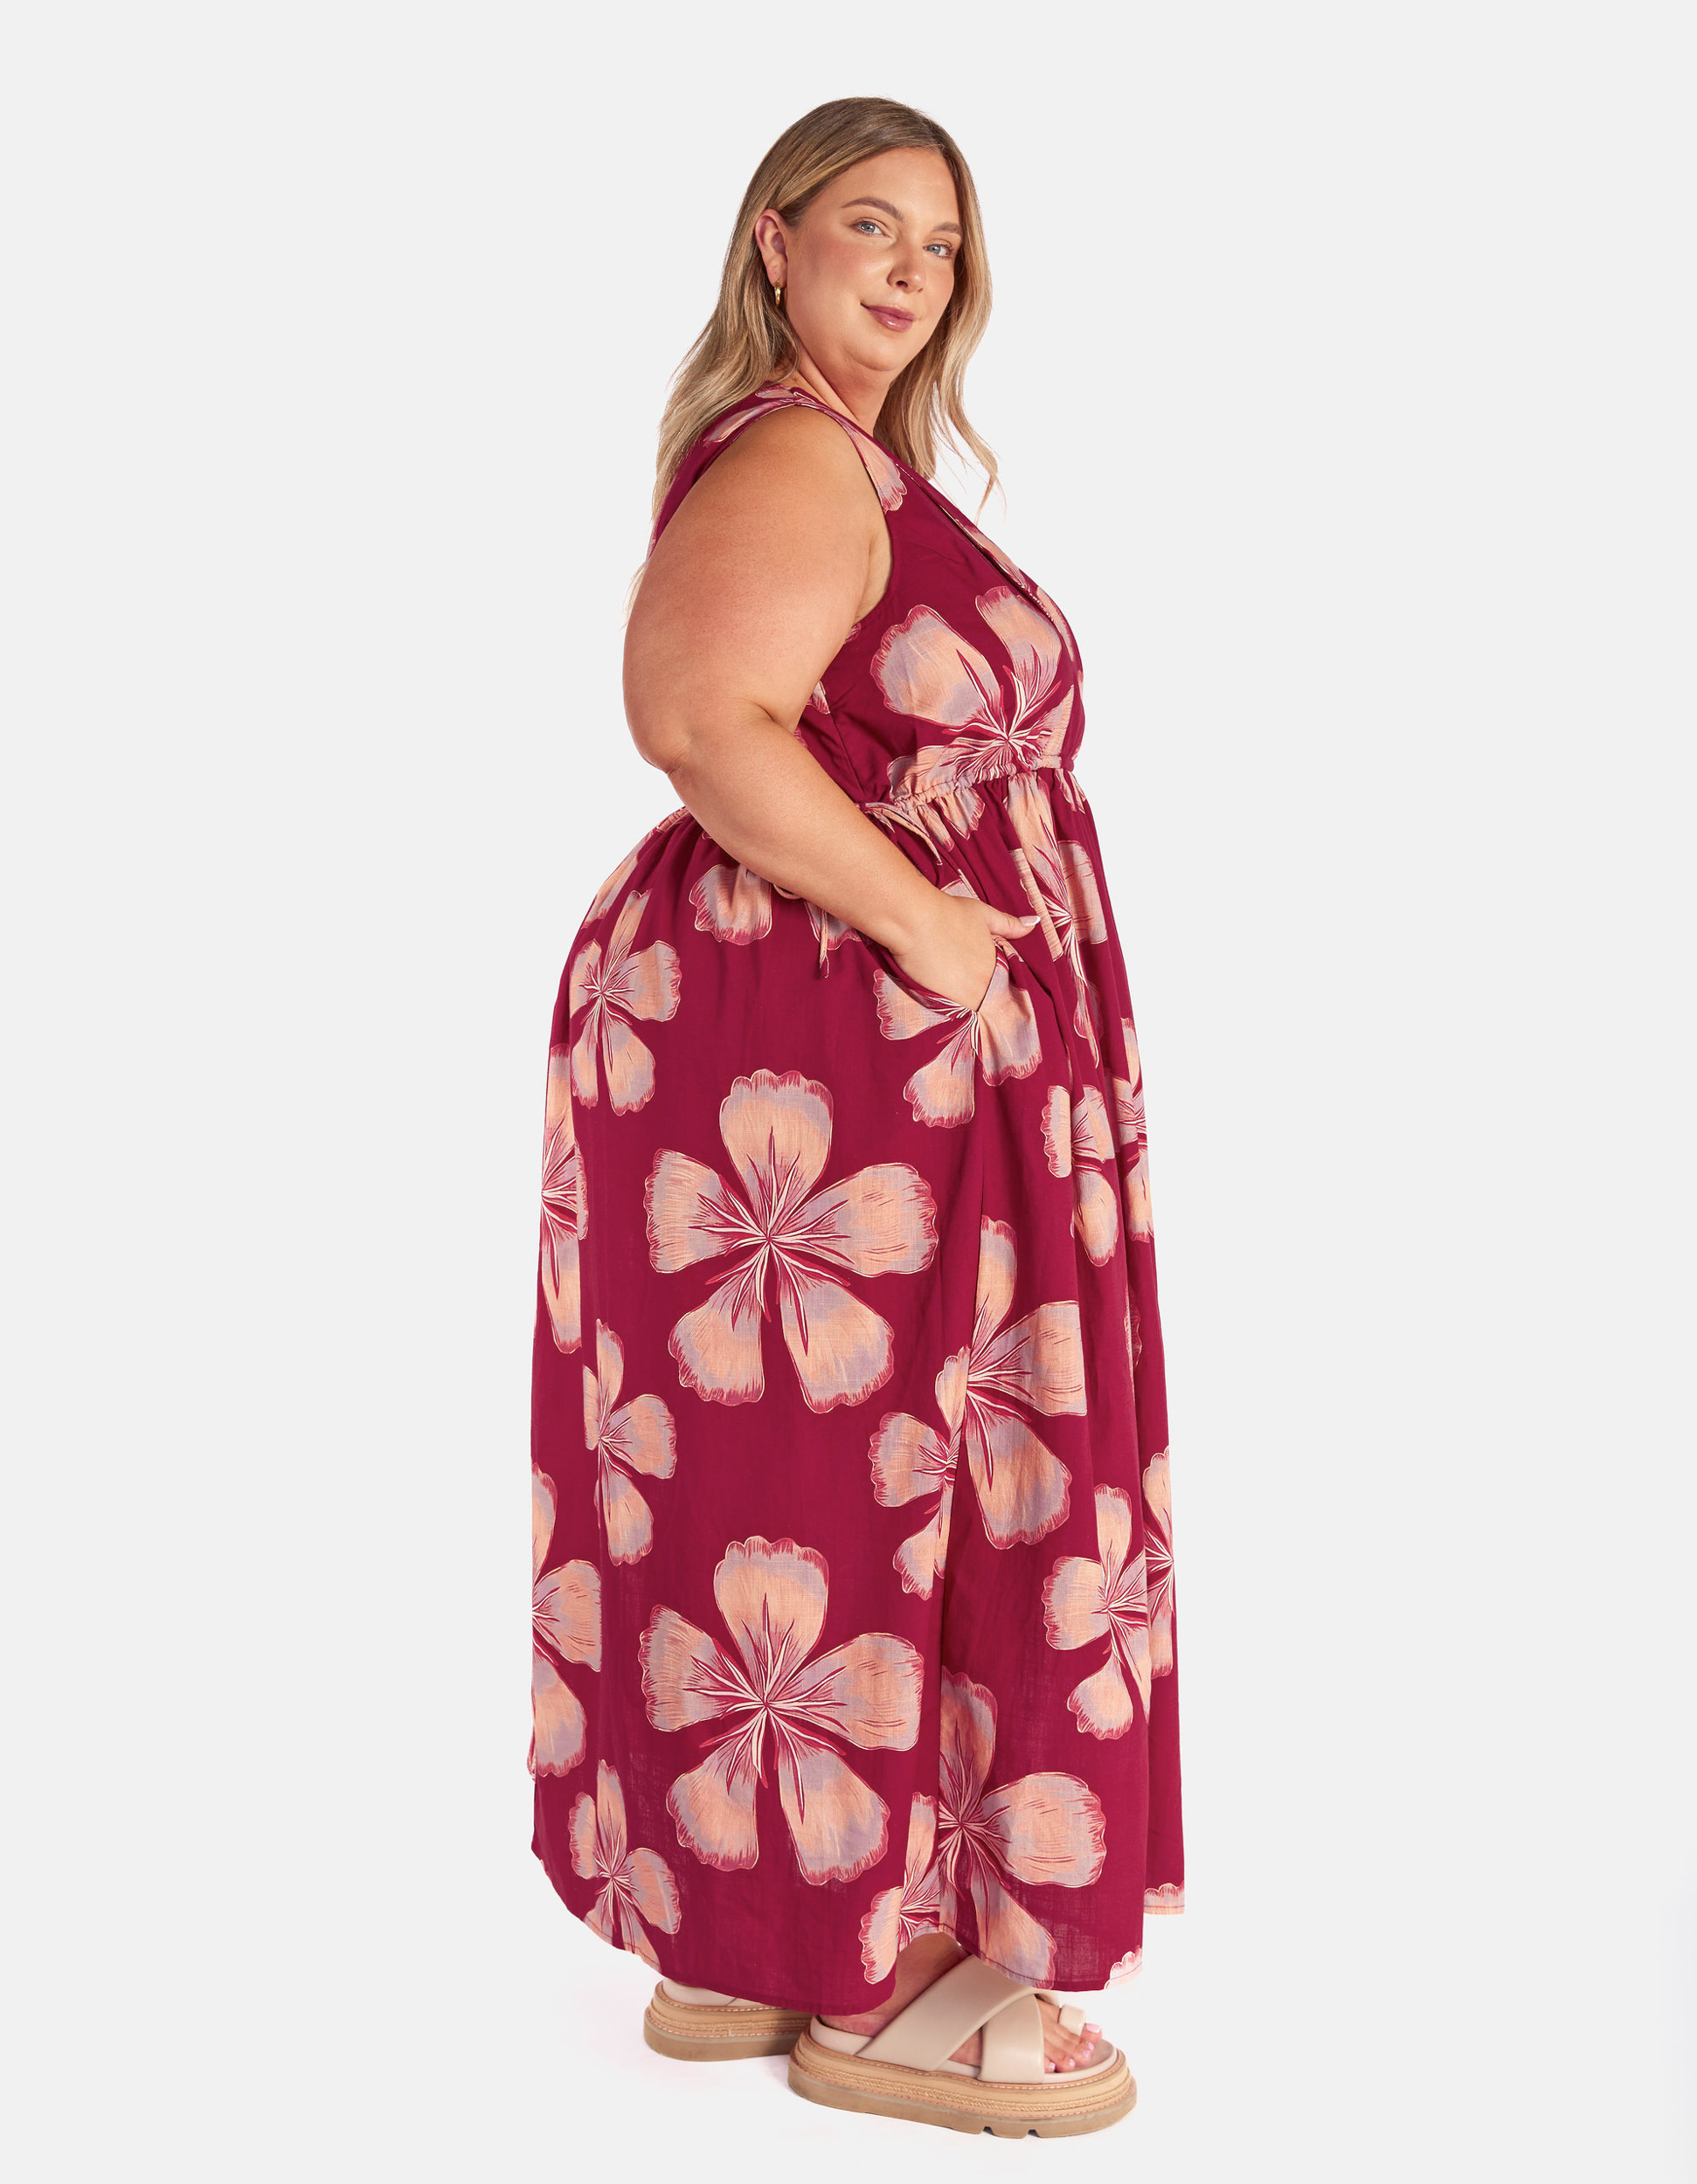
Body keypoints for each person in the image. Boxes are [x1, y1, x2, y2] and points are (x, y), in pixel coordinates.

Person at [529, 95, 1182, 2139]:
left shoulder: (855, 463)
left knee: (822, 1460)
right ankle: (875, 1968)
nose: (909, 272)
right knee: (862, 1468)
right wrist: (930, 924)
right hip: (833, 1056)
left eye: (941, 245)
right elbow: (693, 712)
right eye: (871, 226)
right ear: (773, 241)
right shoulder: (800, 456)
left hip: (858, 1046)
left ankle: (758, 1926)